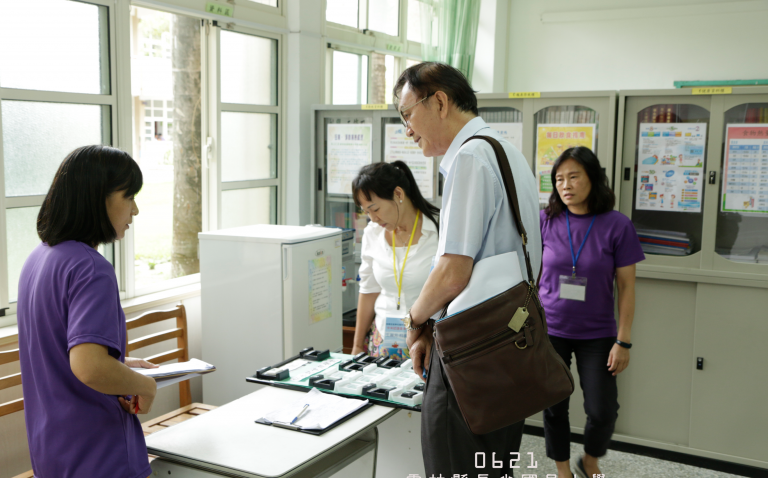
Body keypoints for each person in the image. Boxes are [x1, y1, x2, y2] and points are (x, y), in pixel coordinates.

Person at [395, 62, 542, 477]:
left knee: (453, 466)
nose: (407, 130)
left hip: (472, 350)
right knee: (492, 466)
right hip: (508, 344)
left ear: (439, 101)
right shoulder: (505, 151)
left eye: (407, 116)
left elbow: (452, 272)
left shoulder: (471, 157)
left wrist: (415, 320)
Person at [17, 145, 158, 478]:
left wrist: (119, 364)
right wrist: (147, 386)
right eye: (129, 196)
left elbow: (60, 356)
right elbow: (89, 367)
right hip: (99, 456)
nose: (134, 210)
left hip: (52, 454)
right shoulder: (90, 269)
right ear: (100, 198)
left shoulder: (39, 259)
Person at [538, 147, 644, 478]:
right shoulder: (545, 220)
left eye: (574, 176)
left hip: (598, 334)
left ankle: (590, 460)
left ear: (593, 178)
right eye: (558, 179)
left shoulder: (617, 225)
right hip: (550, 330)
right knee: (554, 407)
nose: (565, 185)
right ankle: (562, 470)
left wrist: (623, 341)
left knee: (602, 411)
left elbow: (627, 287)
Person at [351, 161, 439, 359]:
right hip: (382, 339)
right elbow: (368, 290)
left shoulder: (438, 232)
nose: (373, 218)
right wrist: (356, 346)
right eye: (366, 212)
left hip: (429, 340)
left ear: (398, 194)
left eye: (375, 209)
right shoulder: (372, 234)